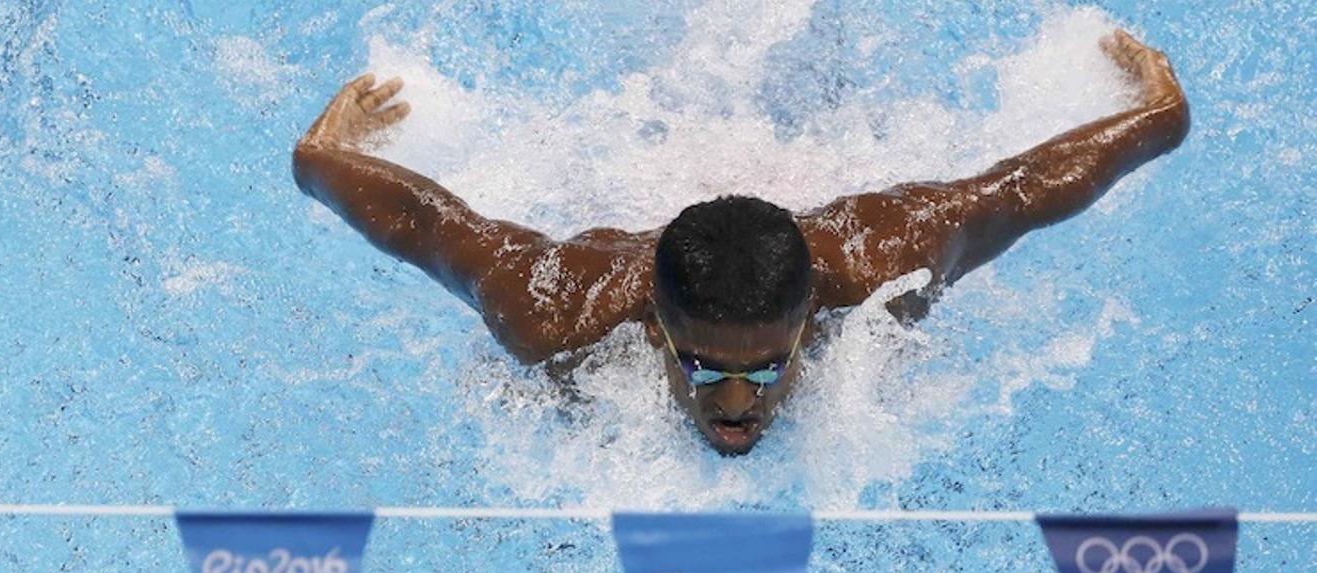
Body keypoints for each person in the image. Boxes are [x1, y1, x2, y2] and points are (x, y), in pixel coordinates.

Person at [292, 30, 1189, 455]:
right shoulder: (557, 309)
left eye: (763, 371)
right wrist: (324, 155)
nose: (732, 405)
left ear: (808, 319)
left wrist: (1159, 117)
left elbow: (1021, 192)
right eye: (703, 367)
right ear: (653, 327)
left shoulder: (877, 267)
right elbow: (434, 229)